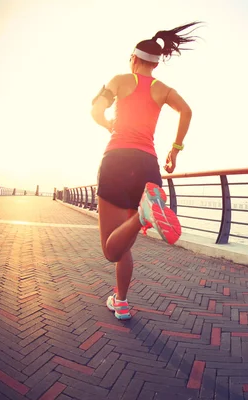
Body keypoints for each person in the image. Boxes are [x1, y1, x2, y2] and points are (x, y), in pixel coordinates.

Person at [90, 22, 201, 320]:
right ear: (154, 63)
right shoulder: (162, 89)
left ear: (134, 59)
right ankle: (121, 301)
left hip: (117, 160)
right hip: (146, 166)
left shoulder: (119, 80)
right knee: (125, 241)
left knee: (111, 250)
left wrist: (107, 124)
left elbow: (95, 110)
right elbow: (187, 111)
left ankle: (143, 214)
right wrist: (174, 150)